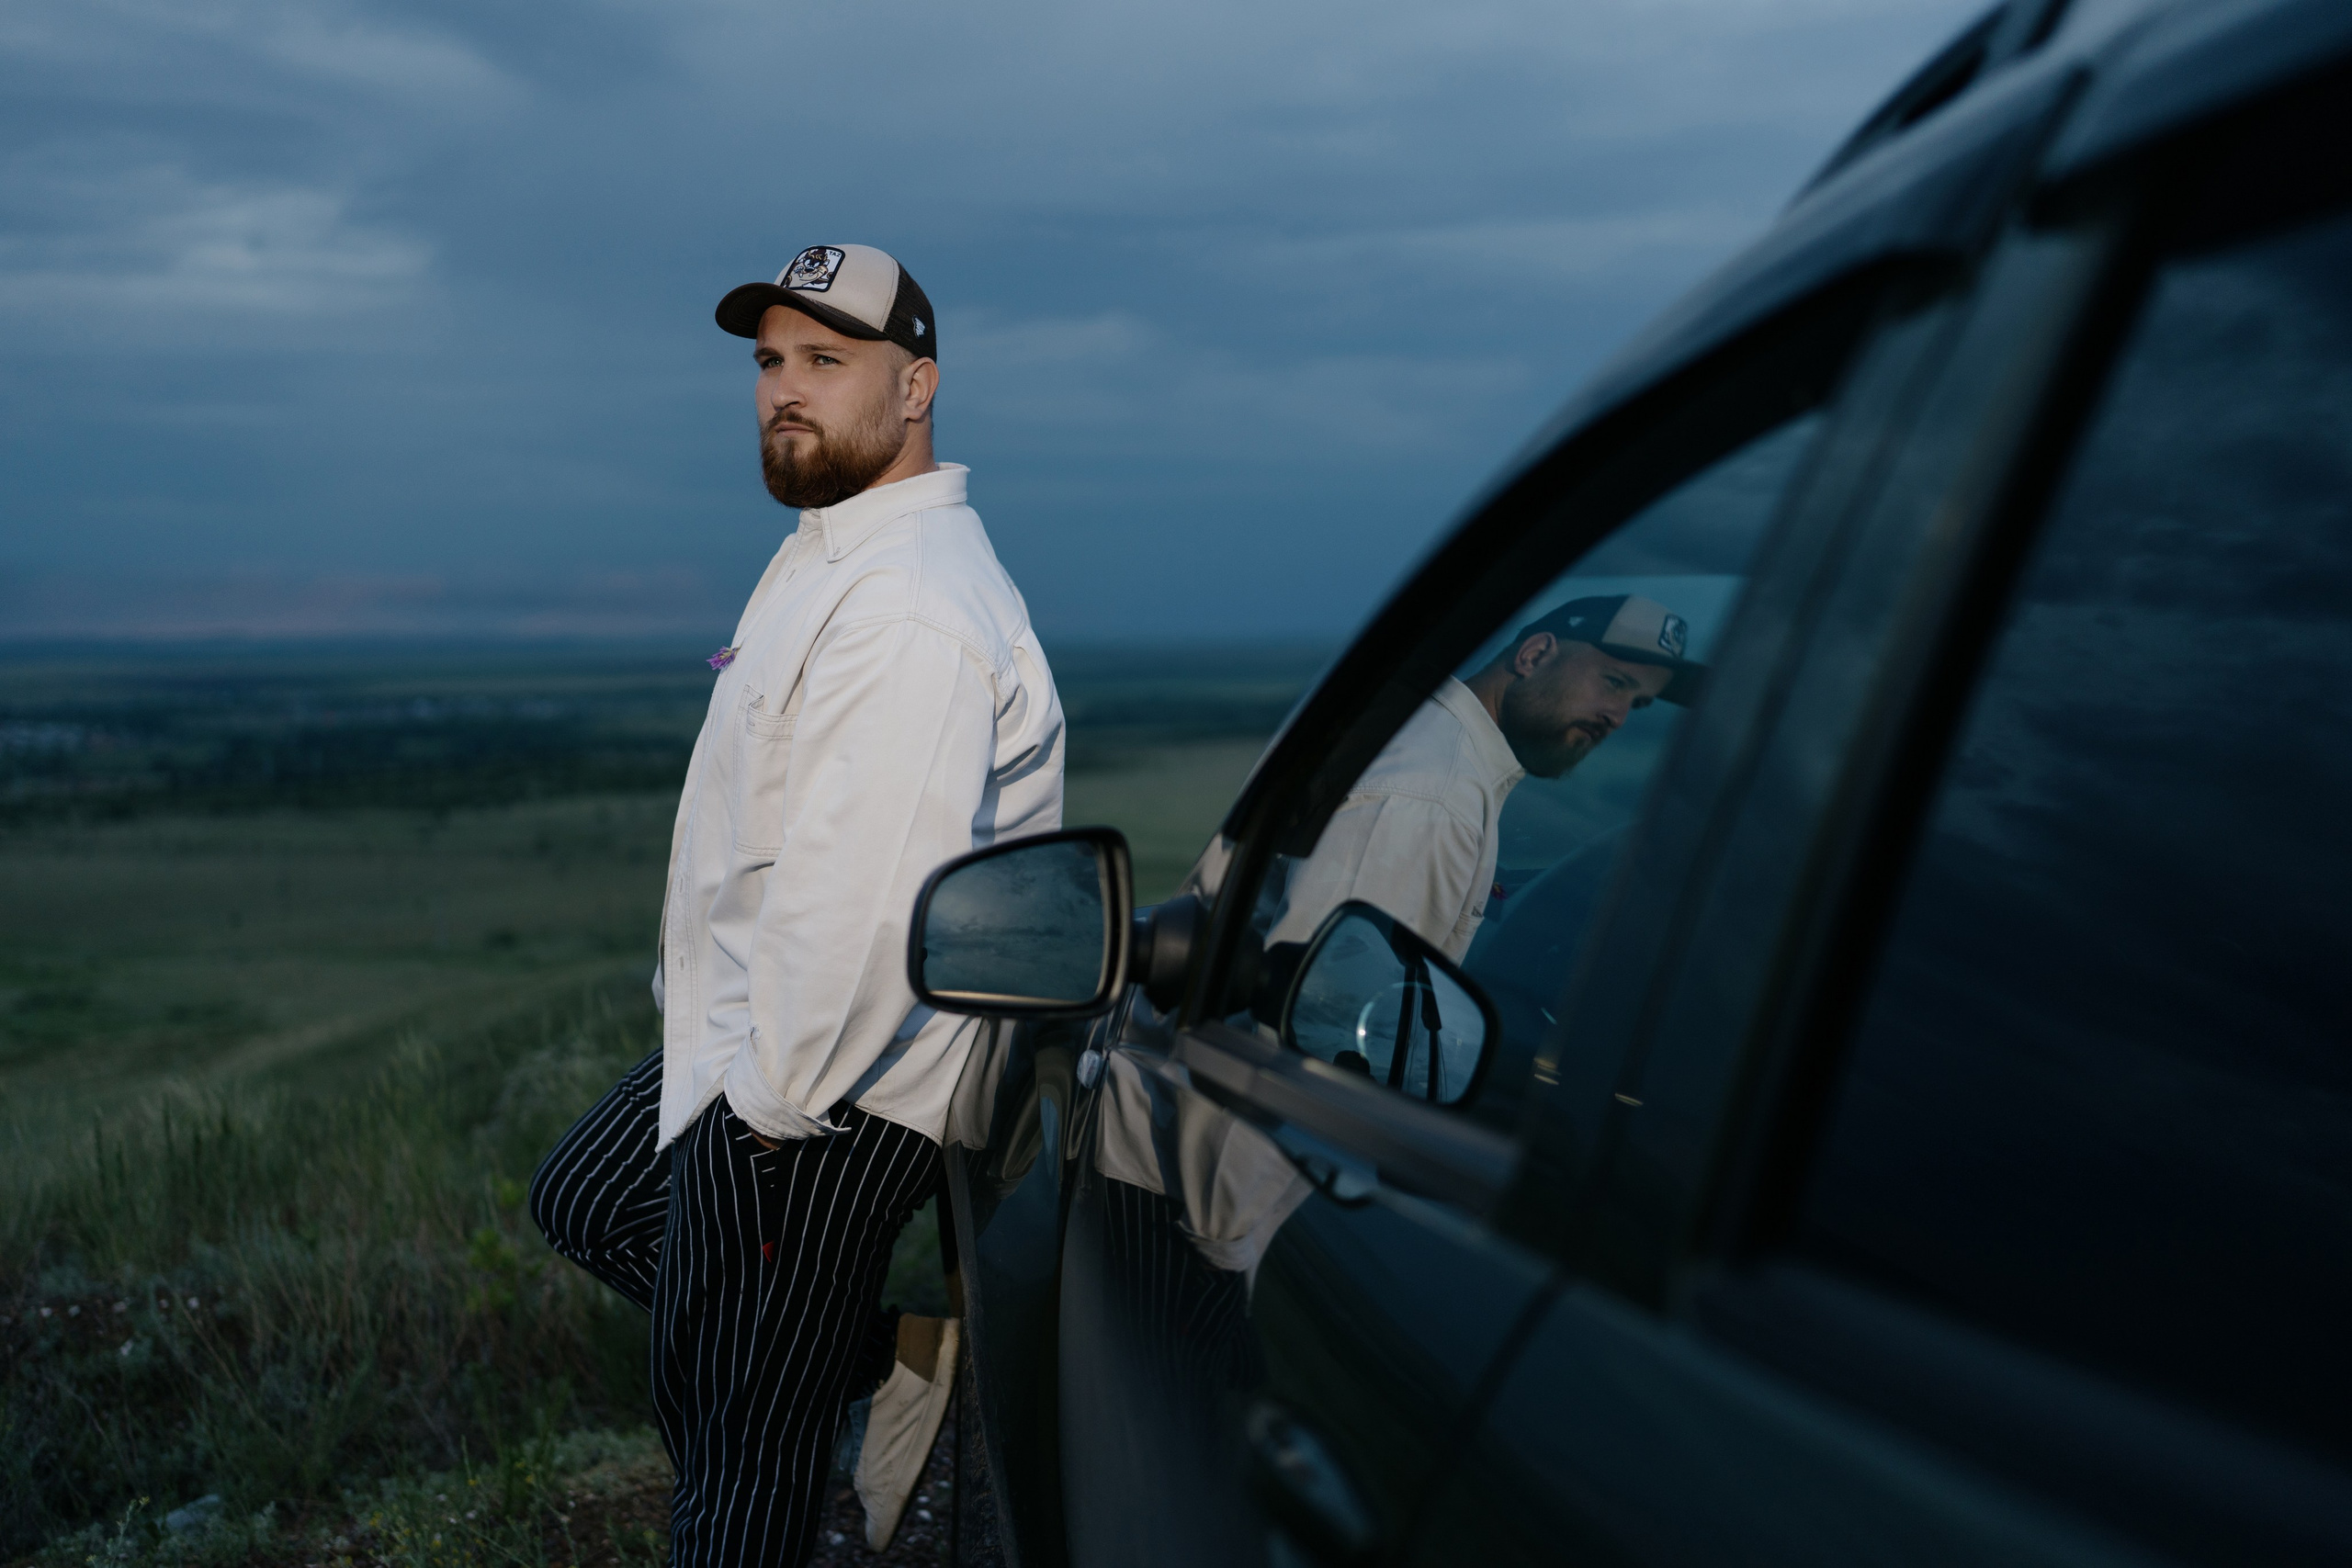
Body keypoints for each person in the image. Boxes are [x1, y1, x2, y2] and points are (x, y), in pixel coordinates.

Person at [527, 243, 1064, 1567]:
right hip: (764, 1045)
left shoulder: (909, 609)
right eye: (771, 361)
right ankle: (875, 1356)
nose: (786, 389)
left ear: (918, 382)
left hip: (827, 1091)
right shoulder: (827, 557)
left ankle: (802, 1348)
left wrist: (766, 1116)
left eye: (828, 360)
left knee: (736, 1460)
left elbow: (866, 906)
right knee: (590, 1198)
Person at [1267, 593, 1695, 963]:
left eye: (1637, 703)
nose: (1617, 718)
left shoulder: (1425, 739)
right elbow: (1322, 1009)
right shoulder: (1430, 798)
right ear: (1534, 655)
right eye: (1614, 682)